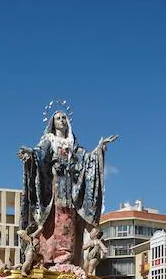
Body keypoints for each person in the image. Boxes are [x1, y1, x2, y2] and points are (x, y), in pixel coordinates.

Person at [18, 107, 117, 266]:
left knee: (67, 222)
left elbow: (87, 160)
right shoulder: (49, 140)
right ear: (53, 123)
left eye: (64, 117)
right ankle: (47, 258)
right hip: (53, 188)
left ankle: (65, 260)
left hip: (70, 190)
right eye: (58, 118)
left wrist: (99, 149)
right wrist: (30, 154)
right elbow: (39, 154)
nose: (62, 120)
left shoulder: (73, 145)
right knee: (51, 222)